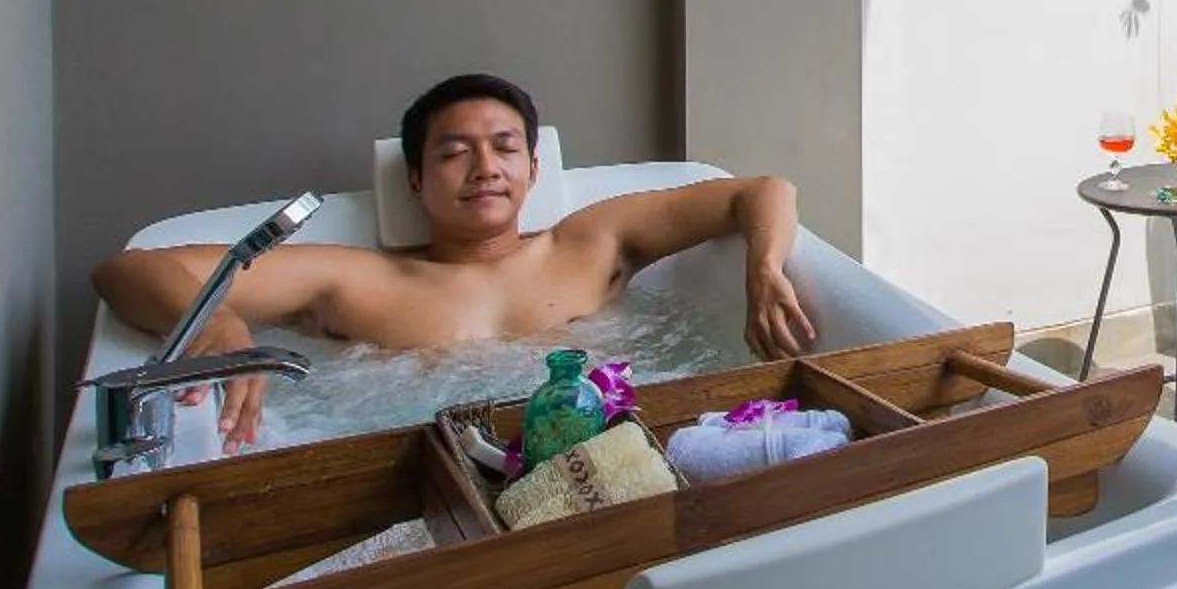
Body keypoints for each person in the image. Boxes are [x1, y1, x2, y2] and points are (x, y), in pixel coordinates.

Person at [91, 72, 817, 447]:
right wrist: (217, 326)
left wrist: (763, 267)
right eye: (453, 151)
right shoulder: (358, 280)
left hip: (623, 453)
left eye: (504, 147)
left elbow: (759, 192)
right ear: (415, 179)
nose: (484, 166)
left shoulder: (588, 242)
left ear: (532, 169)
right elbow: (130, 270)